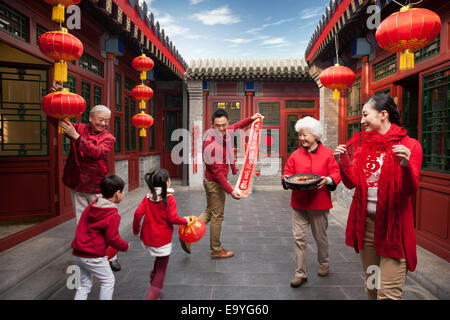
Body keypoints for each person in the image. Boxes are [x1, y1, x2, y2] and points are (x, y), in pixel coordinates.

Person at [334, 94, 422, 300]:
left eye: (365, 114)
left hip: (393, 229)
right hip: (367, 228)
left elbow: (410, 189)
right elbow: (352, 183)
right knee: (372, 287)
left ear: (383, 114)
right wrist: (343, 163)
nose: (362, 120)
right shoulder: (365, 147)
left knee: (388, 294)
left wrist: (405, 166)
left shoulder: (410, 146)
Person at [51, 83, 121, 272]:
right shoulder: (78, 128)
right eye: (100, 119)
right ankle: (89, 257)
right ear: (90, 118)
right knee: (82, 223)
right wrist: (56, 97)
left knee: (105, 223)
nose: (103, 124)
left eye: (106, 121)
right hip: (77, 184)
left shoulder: (108, 138)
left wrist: (76, 138)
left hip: (99, 187)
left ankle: (111, 256)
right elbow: (57, 120)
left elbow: (97, 152)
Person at [180, 109, 264, 259]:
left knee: (209, 211)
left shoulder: (225, 132)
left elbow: (237, 126)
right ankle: (216, 250)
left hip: (211, 180)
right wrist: (232, 192)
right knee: (217, 217)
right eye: (218, 126)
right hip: (214, 183)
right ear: (212, 125)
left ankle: (187, 234)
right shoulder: (212, 145)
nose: (222, 129)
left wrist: (251, 118)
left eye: (224, 125)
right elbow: (218, 175)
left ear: (227, 123)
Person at [282, 116, 341, 288]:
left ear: (315, 136)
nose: (301, 138)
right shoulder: (295, 155)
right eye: (300, 135)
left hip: (319, 203)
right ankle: (300, 273)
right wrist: (286, 179)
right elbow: (287, 172)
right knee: (299, 238)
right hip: (298, 203)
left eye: (305, 135)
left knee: (320, 237)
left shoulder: (328, 154)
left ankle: (324, 263)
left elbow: (336, 174)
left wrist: (328, 179)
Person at [133, 168, 190, 300]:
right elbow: (173, 218)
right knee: (162, 268)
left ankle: (154, 278)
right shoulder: (169, 199)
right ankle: (153, 293)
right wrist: (185, 221)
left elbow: (137, 213)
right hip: (162, 239)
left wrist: (136, 230)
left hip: (147, 237)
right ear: (168, 182)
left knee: (159, 262)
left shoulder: (147, 198)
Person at [71, 174, 129, 300]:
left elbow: (81, 227)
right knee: (108, 281)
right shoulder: (112, 214)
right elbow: (112, 238)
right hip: (94, 255)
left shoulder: (91, 206)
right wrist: (125, 246)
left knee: (83, 286)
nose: (124, 193)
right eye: (123, 191)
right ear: (117, 194)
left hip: (78, 253)